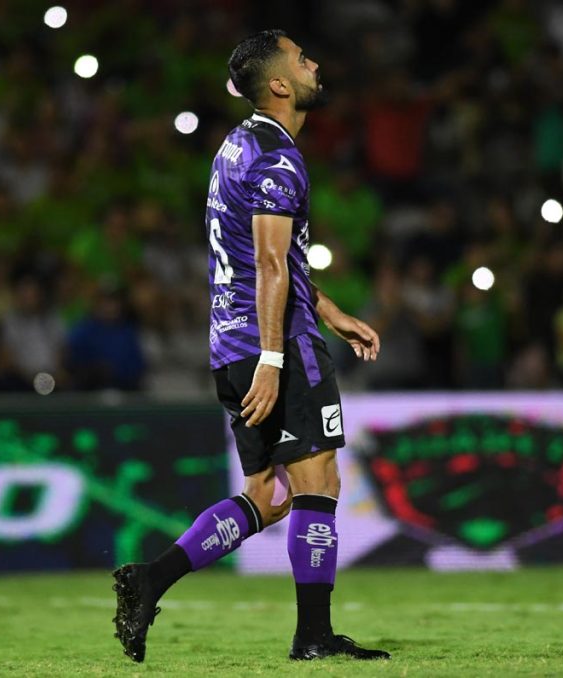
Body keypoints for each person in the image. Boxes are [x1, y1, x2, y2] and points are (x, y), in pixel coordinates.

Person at [111, 30, 389, 663]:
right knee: (318, 481)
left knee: (269, 492)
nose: (315, 61)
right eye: (301, 58)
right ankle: (313, 638)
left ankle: (150, 580)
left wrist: (331, 310)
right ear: (281, 85)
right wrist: (274, 357)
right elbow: (269, 265)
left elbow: (265, 258)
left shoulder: (237, 147)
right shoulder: (276, 159)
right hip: (275, 344)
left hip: (228, 344)